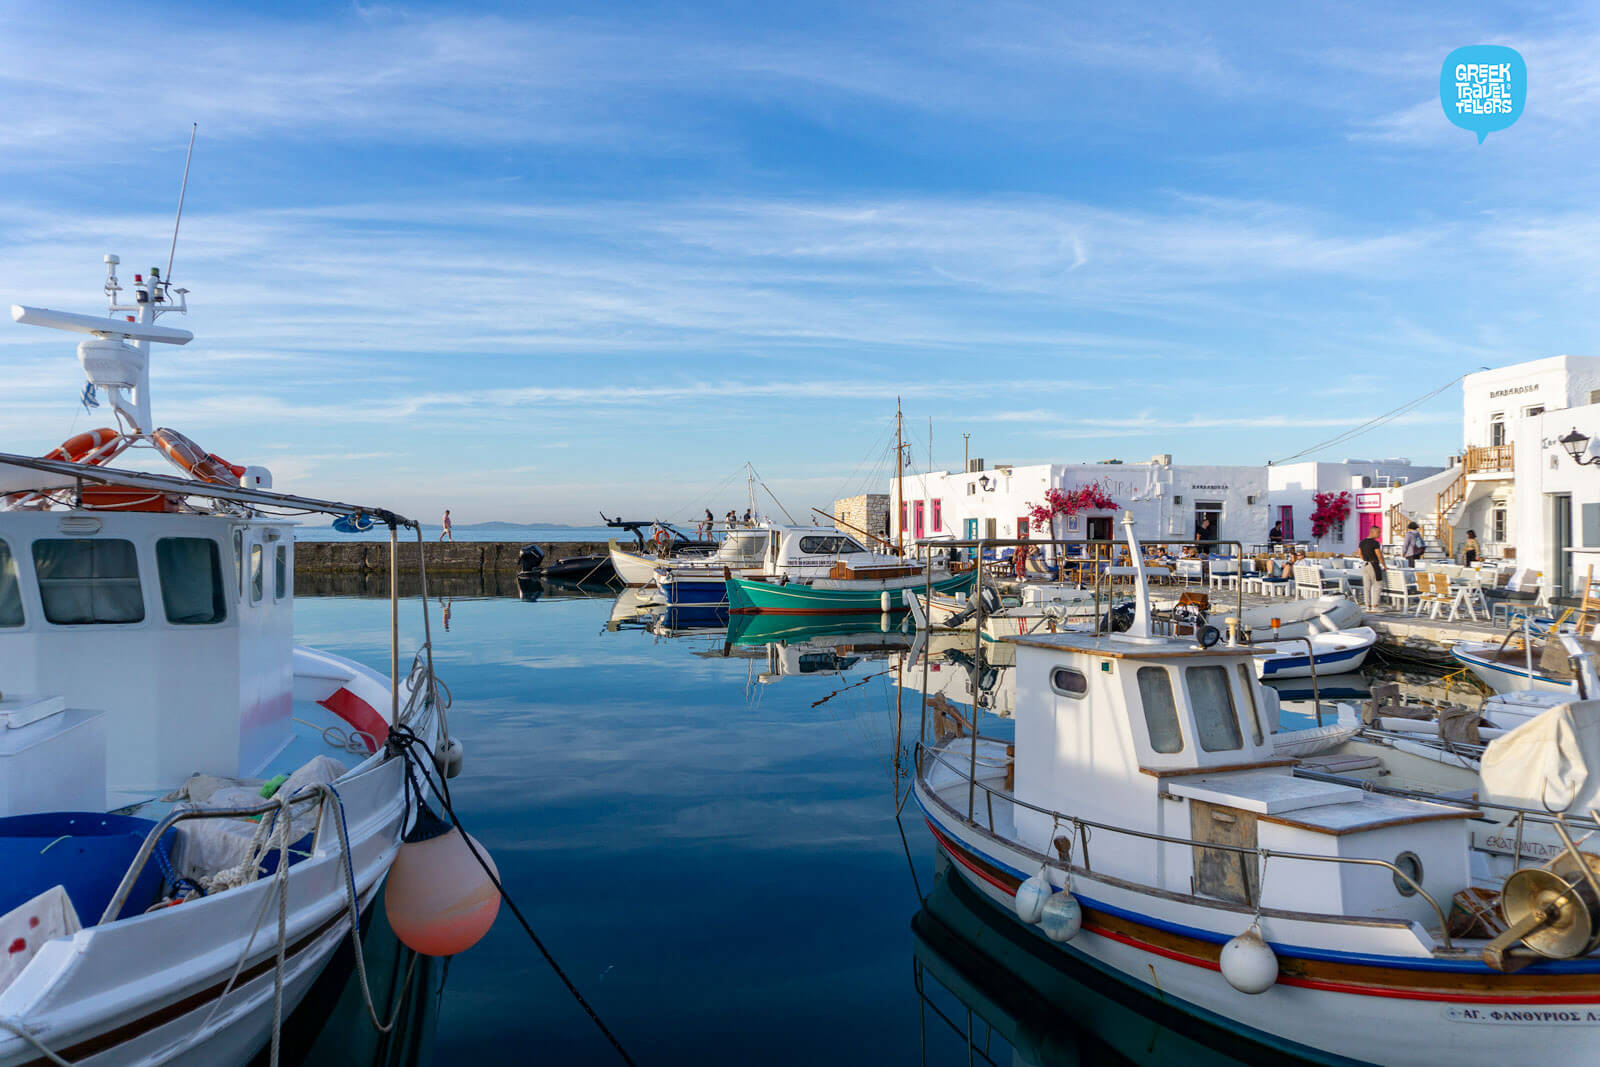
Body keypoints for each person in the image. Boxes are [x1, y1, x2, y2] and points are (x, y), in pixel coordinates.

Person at [1357, 532, 1385, 611]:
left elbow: (1360, 553)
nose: (1379, 534)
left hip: (1365, 564)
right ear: (1374, 532)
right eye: (1378, 532)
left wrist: (1365, 560)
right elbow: (1379, 555)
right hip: (1373, 565)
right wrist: (1385, 566)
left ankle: (1367, 606)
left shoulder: (1362, 542)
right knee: (1377, 585)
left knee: (1367, 587)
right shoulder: (1375, 543)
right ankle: (1375, 606)